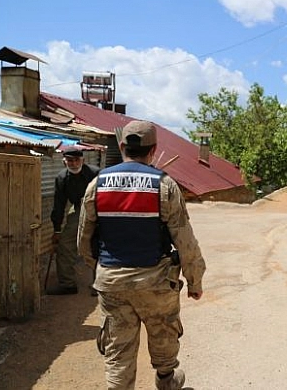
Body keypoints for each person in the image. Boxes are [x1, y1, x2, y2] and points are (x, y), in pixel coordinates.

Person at [77, 120, 206, 390]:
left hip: (112, 282)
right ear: (154, 149)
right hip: (156, 282)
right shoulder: (165, 186)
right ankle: (166, 379)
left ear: (122, 146)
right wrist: (194, 281)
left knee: (118, 353)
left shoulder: (96, 185)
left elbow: (83, 242)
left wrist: (102, 269)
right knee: (164, 335)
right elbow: (185, 241)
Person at [48, 146, 100, 295]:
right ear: (64, 162)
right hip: (79, 208)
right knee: (65, 245)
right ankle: (67, 284)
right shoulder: (62, 178)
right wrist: (57, 229)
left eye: (77, 160)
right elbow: (59, 204)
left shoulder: (95, 173)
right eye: (70, 160)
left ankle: (98, 285)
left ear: (82, 161)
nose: (74, 164)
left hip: (98, 208)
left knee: (97, 244)